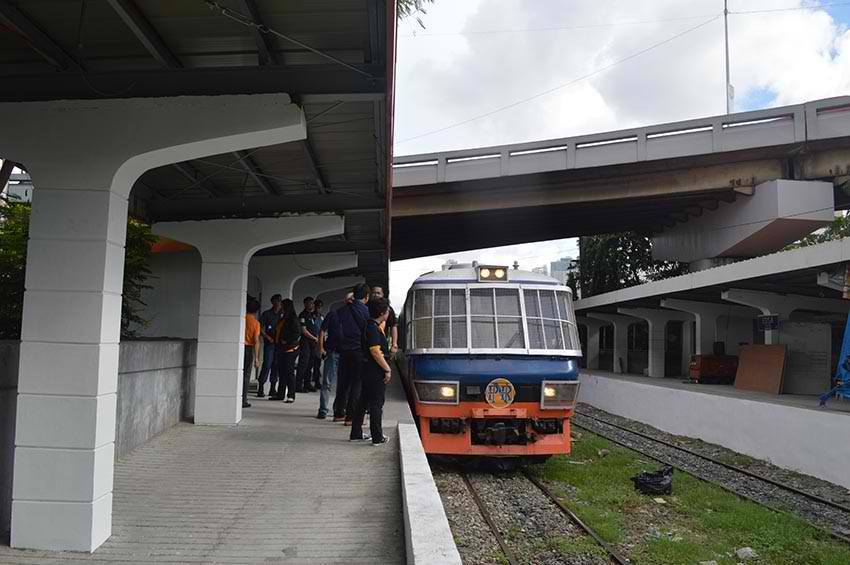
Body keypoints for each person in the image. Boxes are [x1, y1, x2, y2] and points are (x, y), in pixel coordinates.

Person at [349, 297, 392, 445]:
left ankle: (356, 433)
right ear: (382, 312)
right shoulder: (373, 328)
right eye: (387, 311)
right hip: (375, 371)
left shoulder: (369, 326)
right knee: (376, 403)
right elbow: (375, 351)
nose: (388, 313)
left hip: (367, 369)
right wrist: (387, 369)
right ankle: (377, 437)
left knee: (363, 402)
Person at [335, 283, 370, 425]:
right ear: (366, 297)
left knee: (343, 383)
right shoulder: (366, 311)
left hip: (343, 351)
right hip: (358, 352)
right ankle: (351, 417)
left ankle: (338, 413)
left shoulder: (341, 311)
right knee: (357, 384)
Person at [316, 293, 351, 420]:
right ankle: (323, 410)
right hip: (333, 352)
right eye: (349, 300)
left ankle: (339, 409)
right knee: (327, 382)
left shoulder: (353, 316)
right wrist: (320, 347)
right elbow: (322, 330)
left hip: (347, 354)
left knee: (342, 384)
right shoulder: (333, 314)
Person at [270, 298, 300, 403]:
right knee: (281, 372)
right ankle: (280, 394)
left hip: (290, 349)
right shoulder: (283, 318)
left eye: (282, 306)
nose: (280, 308)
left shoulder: (293, 319)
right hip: (281, 349)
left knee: (289, 372)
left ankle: (291, 395)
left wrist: (286, 341)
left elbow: (297, 333)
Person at [257, 294, 283, 398]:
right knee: (267, 364)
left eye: (279, 301)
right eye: (276, 301)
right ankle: (261, 387)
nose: (278, 303)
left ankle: (273, 388)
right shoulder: (267, 314)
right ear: (272, 302)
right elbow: (259, 327)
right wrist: (267, 337)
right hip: (270, 343)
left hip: (279, 344)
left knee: (276, 366)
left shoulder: (283, 314)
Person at [295, 296, 321, 393]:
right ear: (305, 304)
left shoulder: (313, 315)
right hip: (306, 342)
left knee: (310, 364)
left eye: (312, 303)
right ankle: (298, 385)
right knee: (303, 364)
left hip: (313, 344)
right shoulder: (303, 315)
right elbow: (304, 331)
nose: (312, 305)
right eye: (310, 303)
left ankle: (307, 383)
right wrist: (315, 338)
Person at [243, 299, 261, 408]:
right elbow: (256, 340)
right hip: (248, 349)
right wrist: (257, 358)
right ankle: (243, 400)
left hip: (238, 347)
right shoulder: (255, 323)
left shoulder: (241, 319)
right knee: (246, 375)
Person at [370, 286, 399, 359]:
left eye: (378, 293)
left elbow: (393, 326)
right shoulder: (366, 306)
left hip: (381, 343)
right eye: (374, 293)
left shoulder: (388, 308)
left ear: (382, 294)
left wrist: (394, 344)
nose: (376, 295)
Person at [310, 299, 325, 390]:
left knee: (317, 363)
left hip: (319, 343)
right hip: (311, 342)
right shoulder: (310, 316)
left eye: (320, 307)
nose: (318, 309)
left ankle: (316, 381)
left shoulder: (322, 317)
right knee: (310, 363)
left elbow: (323, 330)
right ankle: (308, 381)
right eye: (317, 307)